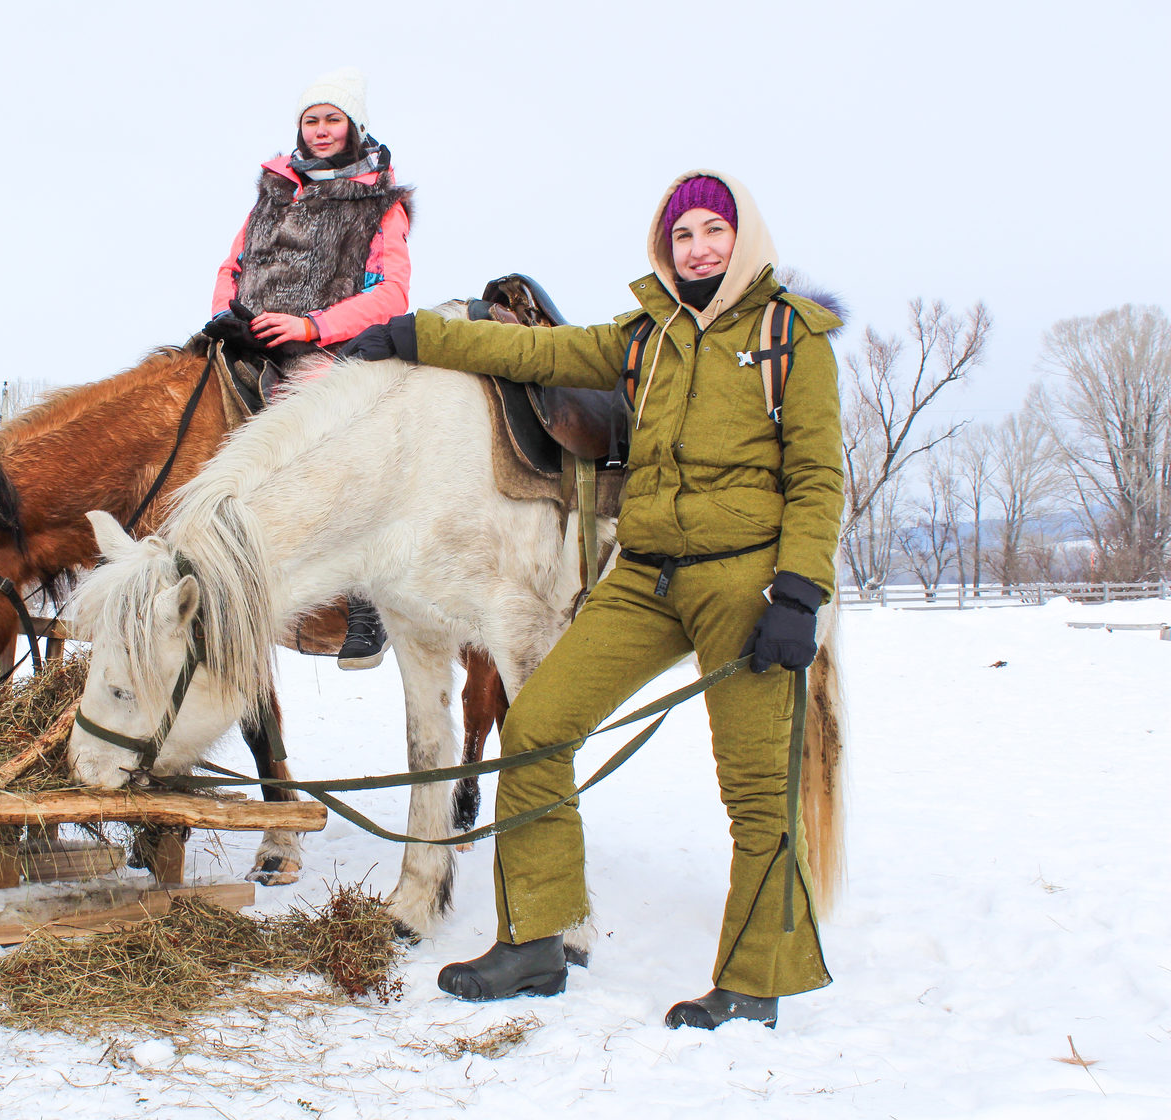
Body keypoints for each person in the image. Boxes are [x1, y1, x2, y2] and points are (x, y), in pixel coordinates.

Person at [346, 171, 843, 1029]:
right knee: (536, 728)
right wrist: (410, 336)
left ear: (743, 240)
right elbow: (533, 354)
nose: (697, 248)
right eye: (682, 235)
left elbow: (817, 474)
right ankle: (534, 939)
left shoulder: (790, 338)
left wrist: (798, 590)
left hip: (741, 578)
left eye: (711, 233)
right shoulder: (643, 337)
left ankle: (754, 981)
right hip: (645, 576)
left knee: (756, 788)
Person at [204, 68, 413, 670]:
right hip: (254, 334)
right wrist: (227, 313)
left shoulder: (382, 202)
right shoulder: (273, 190)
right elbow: (232, 264)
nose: (322, 130)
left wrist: (310, 326)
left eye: (333, 119)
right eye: (311, 119)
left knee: (316, 431)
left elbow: (392, 294)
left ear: (354, 126)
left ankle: (366, 596)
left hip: (328, 343)